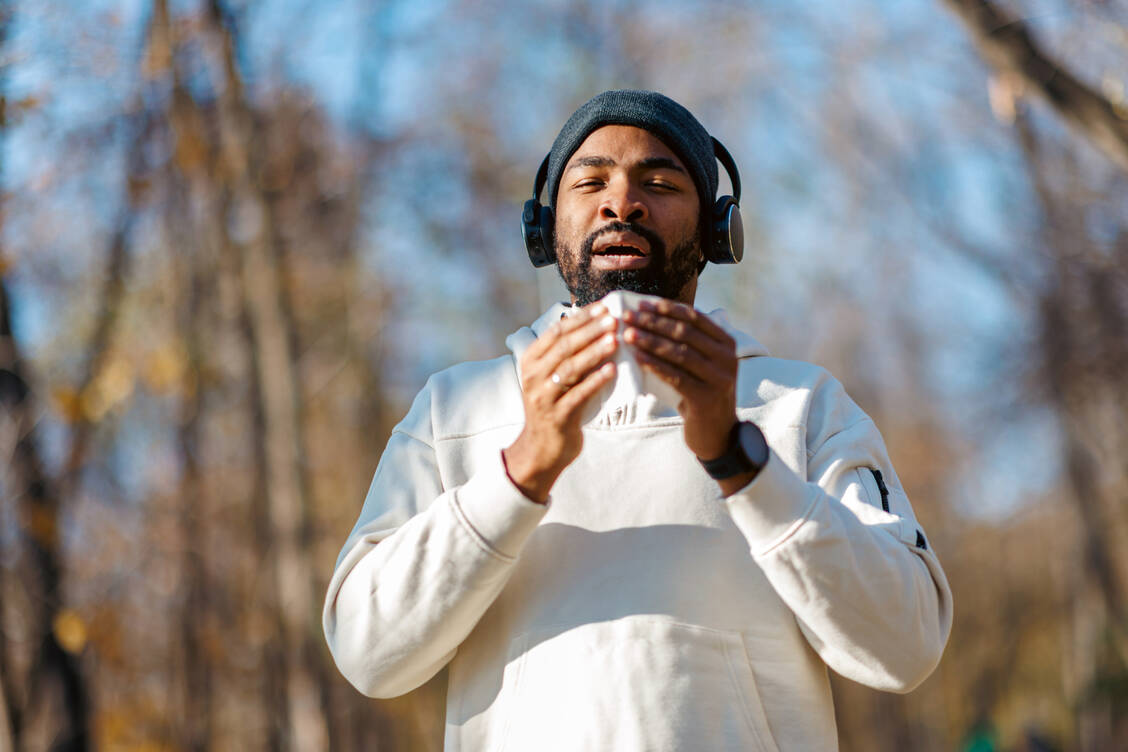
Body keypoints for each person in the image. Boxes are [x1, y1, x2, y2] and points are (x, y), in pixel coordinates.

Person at [323, 90, 952, 751]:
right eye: (590, 180)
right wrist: (520, 472)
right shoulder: (455, 411)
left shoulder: (802, 406)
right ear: (545, 226)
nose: (621, 202)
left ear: (718, 228)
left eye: (658, 181)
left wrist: (742, 465)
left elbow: (906, 648)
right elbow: (367, 654)